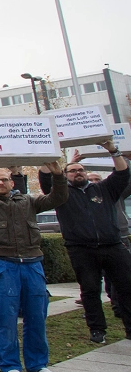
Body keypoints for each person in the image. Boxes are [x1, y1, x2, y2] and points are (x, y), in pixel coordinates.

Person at [0, 163, 67, 372]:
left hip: (32, 263)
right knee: (6, 316)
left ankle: (38, 363)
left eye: (5, 179)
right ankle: (10, 364)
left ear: (12, 182)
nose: (1, 183)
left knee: (37, 315)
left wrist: (58, 175)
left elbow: (57, 198)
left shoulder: (28, 201)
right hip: (4, 264)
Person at [39, 143, 131, 344]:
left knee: (126, 287)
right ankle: (97, 329)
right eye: (72, 171)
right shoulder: (62, 195)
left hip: (113, 246)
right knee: (90, 290)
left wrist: (114, 151)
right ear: (65, 175)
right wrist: (48, 150)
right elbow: (46, 180)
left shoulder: (103, 189)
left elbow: (122, 174)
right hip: (81, 250)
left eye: (80, 170)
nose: (77, 173)